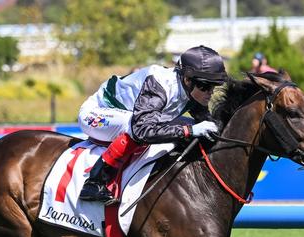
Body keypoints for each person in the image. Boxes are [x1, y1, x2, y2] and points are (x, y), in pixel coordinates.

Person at [77, 45, 228, 204]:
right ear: (187, 79)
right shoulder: (160, 85)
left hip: (134, 116)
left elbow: (207, 123)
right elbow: (142, 131)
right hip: (97, 113)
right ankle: (94, 182)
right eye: (206, 85)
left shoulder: (192, 89)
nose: (210, 91)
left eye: (214, 86)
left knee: (198, 128)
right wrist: (190, 130)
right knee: (135, 127)